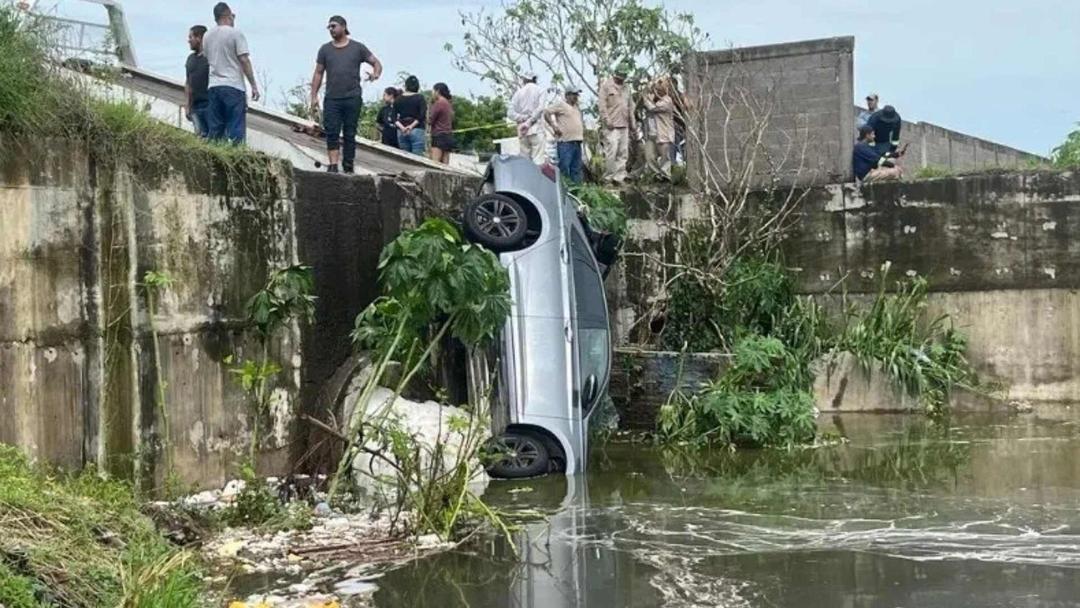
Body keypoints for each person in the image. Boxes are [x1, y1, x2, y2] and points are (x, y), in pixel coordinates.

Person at [309, 15, 382, 174]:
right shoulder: (325, 49)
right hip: (332, 98)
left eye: (334, 26)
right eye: (329, 27)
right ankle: (333, 165)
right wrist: (313, 96)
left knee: (349, 132)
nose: (331, 30)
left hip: (352, 97)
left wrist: (375, 74)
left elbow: (376, 63)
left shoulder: (357, 48)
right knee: (332, 132)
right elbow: (318, 73)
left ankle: (348, 163)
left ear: (343, 27)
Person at [202, 2, 260, 144]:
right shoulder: (235, 33)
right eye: (233, 15)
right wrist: (253, 85)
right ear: (228, 15)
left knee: (215, 130)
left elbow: (207, 59)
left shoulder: (207, 36)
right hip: (233, 86)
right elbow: (244, 60)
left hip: (214, 86)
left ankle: (214, 159)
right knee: (236, 128)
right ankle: (236, 159)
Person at [599, 66, 635, 184]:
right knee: (612, 152)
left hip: (624, 124)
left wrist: (632, 123)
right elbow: (602, 106)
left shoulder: (627, 88)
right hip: (612, 125)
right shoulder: (606, 86)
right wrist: (607, 120)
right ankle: (608, 177)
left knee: (623, 152)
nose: (622, 79)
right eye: (620, 77)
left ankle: (619, 177)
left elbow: (630, 106)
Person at [544, 85, 585, 183]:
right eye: (573, 94)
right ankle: (565, 190)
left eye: (576, 94)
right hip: (566, 142)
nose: (575, 97)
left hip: (577, 141)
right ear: (567, 95)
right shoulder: (561, 104)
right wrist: (554, 127)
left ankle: (576, 191)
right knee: (564, 168)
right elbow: (546, 112)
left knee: (576, 169)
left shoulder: (576, 107)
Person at [508, 72, 546, 164]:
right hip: (536, 129)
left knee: (524, 161)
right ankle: (537, 178)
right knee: (538, 160)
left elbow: (510, 113)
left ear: (524, 80)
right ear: (534, 79)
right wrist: (529, 121)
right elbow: (540, 109)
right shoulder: (540, 90)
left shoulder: (518, 93)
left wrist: (523, 118)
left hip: (522, 131)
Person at [643, 78, 675, 180]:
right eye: (655, 90)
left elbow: (652, 108)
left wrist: (645, 97)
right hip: (651, 133)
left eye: (659, 90)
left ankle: (665, 176)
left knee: (664, 157)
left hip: (663, 133)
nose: (656, 91)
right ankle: (656, 175)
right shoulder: (653, 99)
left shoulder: (667, 100)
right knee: (649, 156)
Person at [184, 25, 210, 138]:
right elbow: (188, 83)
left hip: (210, 104)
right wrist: (187, 105)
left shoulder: (211, 57)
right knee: (199, 135)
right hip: (195, 105)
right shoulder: (191, 59)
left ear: (199, 38)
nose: (188, 40)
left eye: (191, 37)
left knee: (213, 136)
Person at [394, 75, 427, 155]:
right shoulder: (420, 98)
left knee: (404, 158)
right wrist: (411, 126)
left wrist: (402, 127)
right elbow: (422, 115)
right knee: (417, 159)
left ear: (406, 86)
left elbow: (393, 117)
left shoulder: (398, 99)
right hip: (417, 129)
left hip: (402, 130)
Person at [429, 82, 455, 165]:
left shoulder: (439, 103)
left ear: (438, 91)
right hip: (448, 135)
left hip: (439, 135)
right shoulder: (448, 103)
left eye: (433, 91)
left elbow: (431, 119)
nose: (432, 93)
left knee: (435, 164)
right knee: (445, 165)